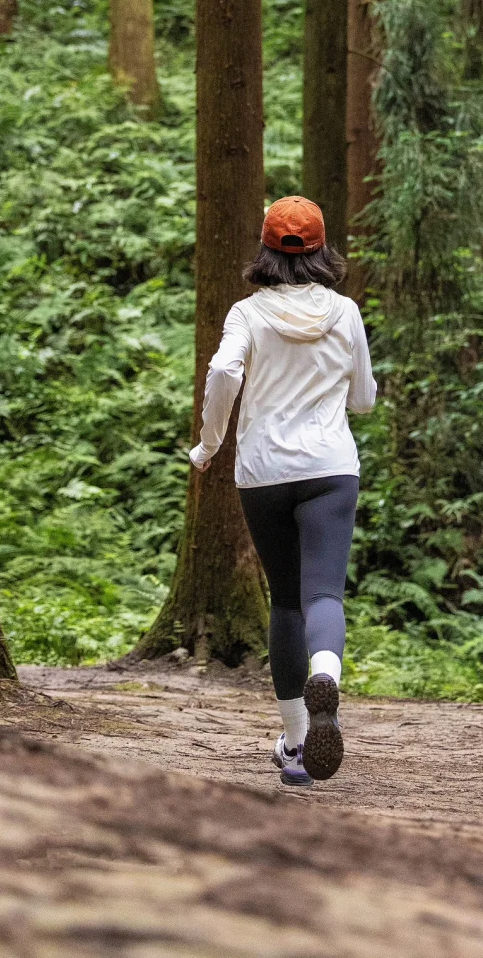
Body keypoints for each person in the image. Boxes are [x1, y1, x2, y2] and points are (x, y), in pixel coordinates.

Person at [189, 196, 376, 789]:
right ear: (322, 249)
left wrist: (209, 443)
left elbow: (223, 374)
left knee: (285, 603)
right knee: (323, 594)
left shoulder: (247, 314)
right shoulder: (345, 312)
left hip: (264, 472)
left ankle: (297, 745)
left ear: (266, 249)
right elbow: (365, 397)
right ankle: (328, 673)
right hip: (330, 468)